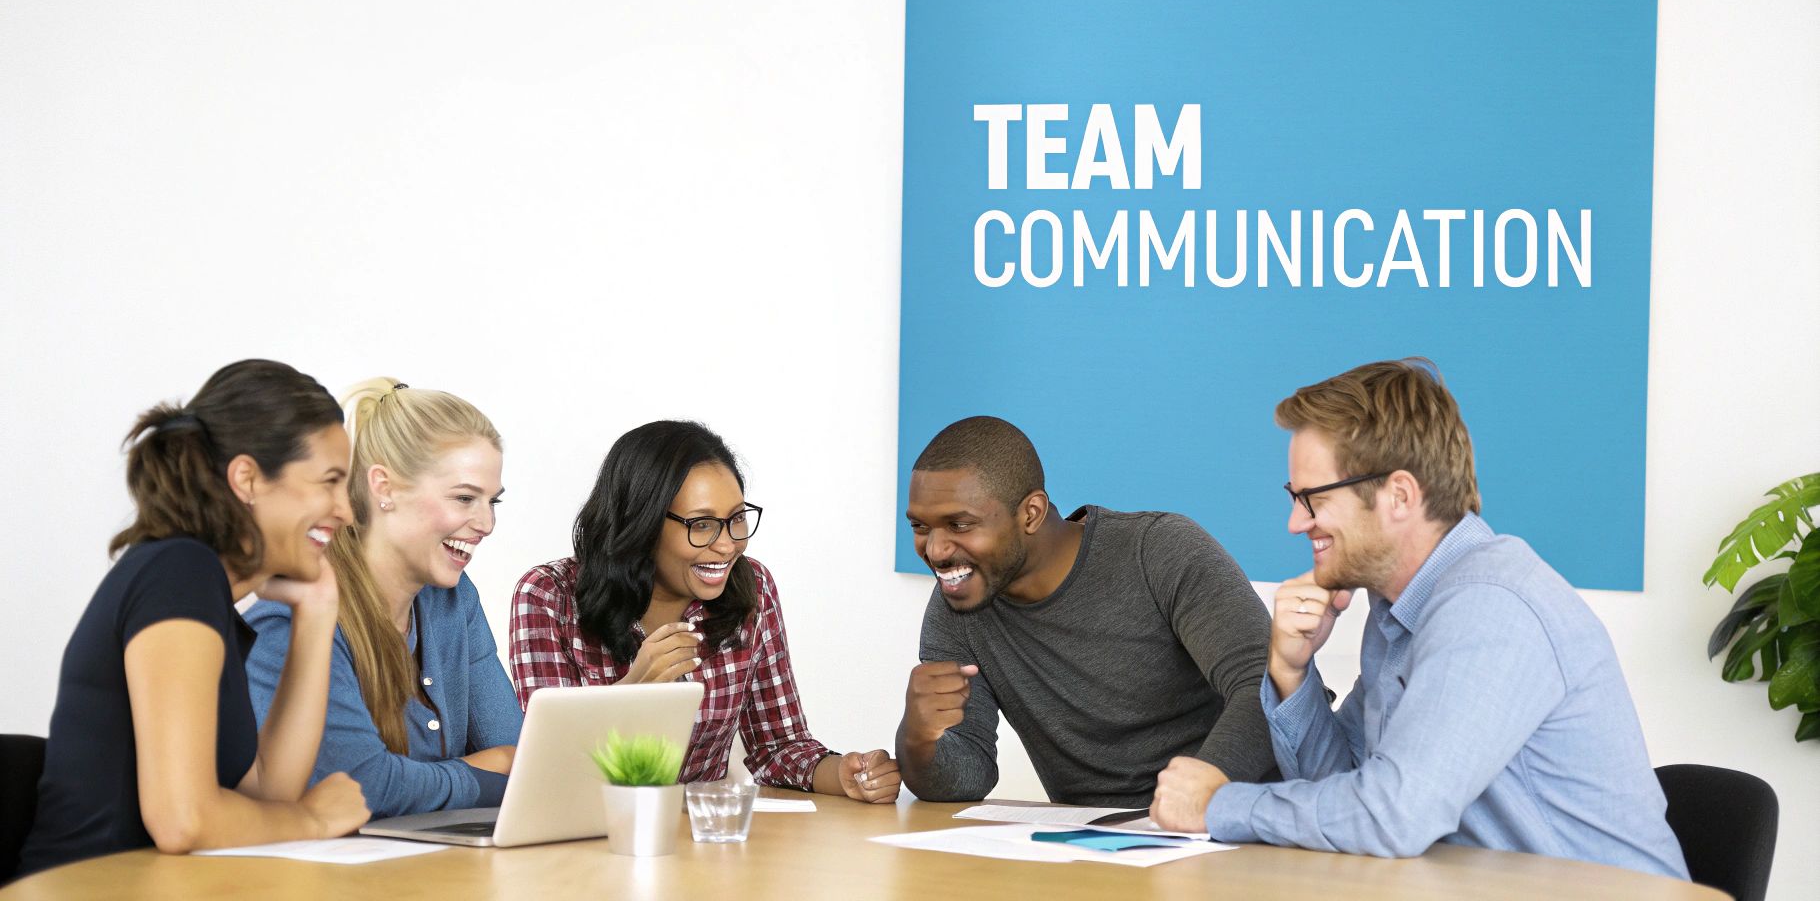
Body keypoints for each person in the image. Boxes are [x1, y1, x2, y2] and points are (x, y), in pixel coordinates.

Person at [1149, 359, 1689, 879]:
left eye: (1312, 499)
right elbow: (1348, 793)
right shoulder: (1396, 612)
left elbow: (1391, 816)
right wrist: (1293, 675)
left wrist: (1220, 806)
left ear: (1400, 495)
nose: (1296, 523)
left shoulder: (1490, 606)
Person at [17, 360, 370, 877]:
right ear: (247, 478)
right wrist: (311, 820)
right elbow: (183, 820)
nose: (346, 511)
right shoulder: (178, 572)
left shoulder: (199, 590)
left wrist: (318, 612)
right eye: (330, 482)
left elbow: (269, 790)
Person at [509, 420, 899, 803]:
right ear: (641, 521)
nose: (728, 545)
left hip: (703, 843)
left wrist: (843, 774)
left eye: (736, 519)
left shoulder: (754, 588)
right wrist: (634, 690)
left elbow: (778, 746)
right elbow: (547, 771)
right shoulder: (548, 597)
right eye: (702, 524)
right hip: (588, 840)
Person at [897, 416, 1276, 807]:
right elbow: (965, 777)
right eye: (920, 526)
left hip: (1250, 824)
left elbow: (1269, 687)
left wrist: (1204, 789)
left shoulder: (1159, 551)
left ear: (1030, 513)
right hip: (1098, 846)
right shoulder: (958, 606)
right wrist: (918, 737)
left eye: (959, 524)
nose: (936, 550)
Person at [243, 380, 522, 819]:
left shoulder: (453, 600)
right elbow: (361, 786)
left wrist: (471, 772)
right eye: (465, 498)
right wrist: (481, 772)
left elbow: (519, 754)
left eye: (493, 502)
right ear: (385, 488)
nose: (485, 523)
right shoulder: (295, 615)